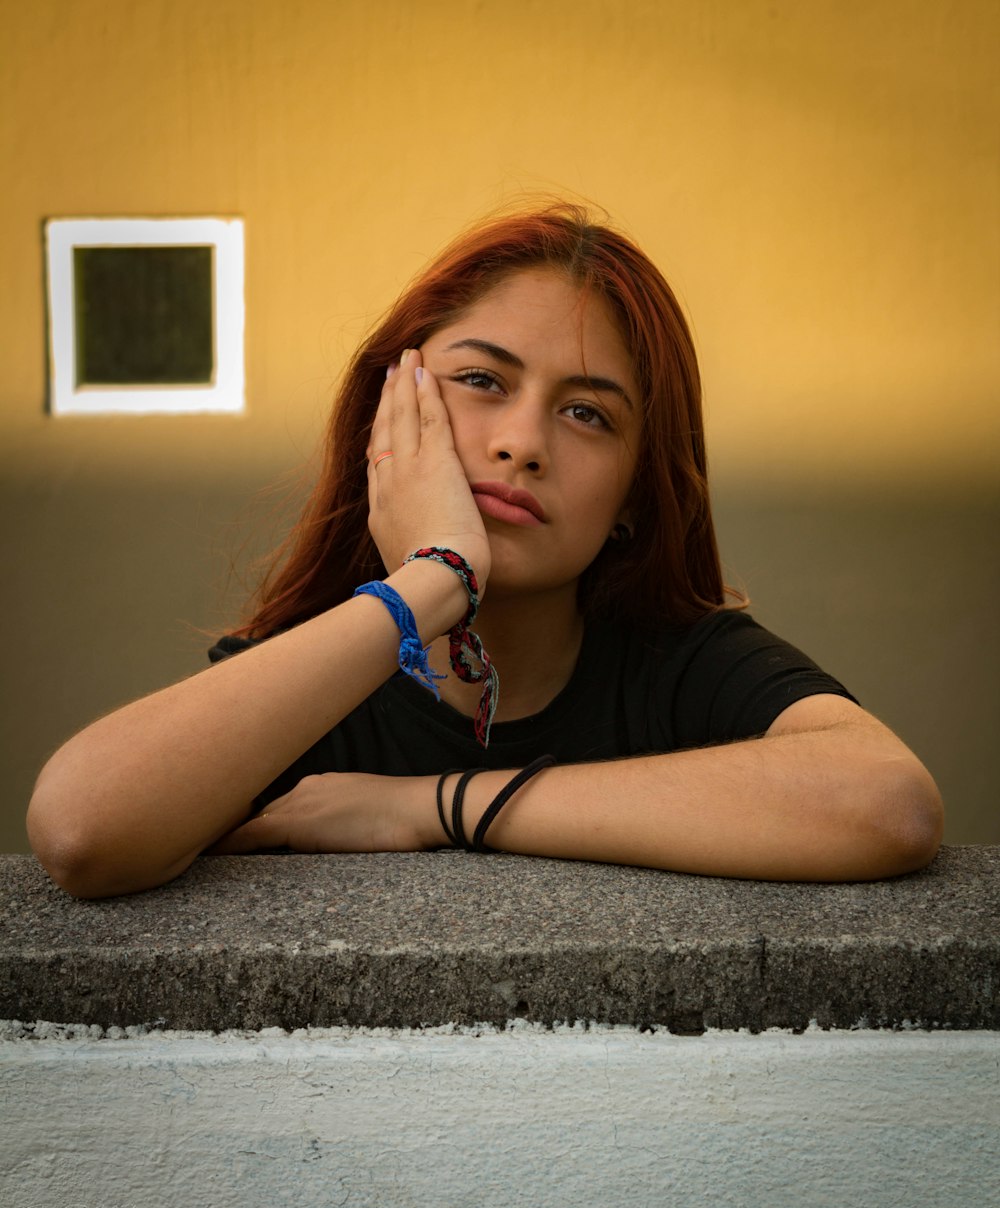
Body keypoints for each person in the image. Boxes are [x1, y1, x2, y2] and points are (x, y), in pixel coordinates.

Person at [27, 203, 943, 898]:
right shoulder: (318, 674)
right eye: (480, 381)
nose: (523, 440)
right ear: (391, 417)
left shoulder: (680, 664)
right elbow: (81, 831)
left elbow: (886, 805)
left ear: (632, 498)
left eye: (587, 413)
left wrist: (431, 806)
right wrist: (434, 579)